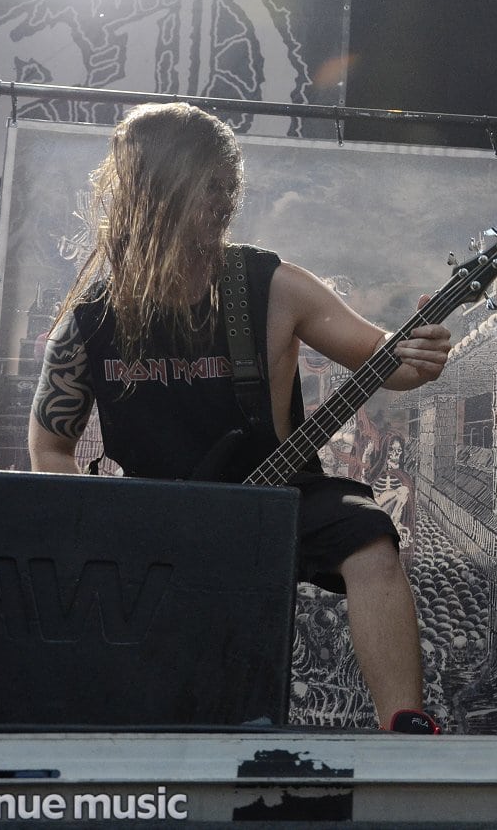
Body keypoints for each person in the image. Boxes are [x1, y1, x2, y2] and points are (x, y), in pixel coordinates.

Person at [27, 102, 452, 734]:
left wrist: (421, 356)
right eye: (209, 185)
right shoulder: (90, 317)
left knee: (367, 536)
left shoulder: (269, 285)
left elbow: (387, 362)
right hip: (156, 513)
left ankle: (405, 724)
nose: (223, 201)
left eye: (228, 185)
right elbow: (50, 448)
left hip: (278, 492)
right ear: (157, 189)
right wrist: (105, 530)